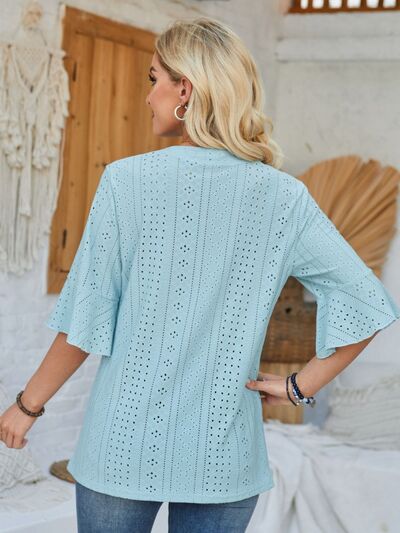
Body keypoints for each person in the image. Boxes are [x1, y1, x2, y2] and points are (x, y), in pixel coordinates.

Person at [1, 16, 400, 533]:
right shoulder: (283, 196)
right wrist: (300, 387)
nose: (149, 96)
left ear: (184, 89)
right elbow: (368, 302)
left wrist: (27, 406)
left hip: (122, 447)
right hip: (225, 457)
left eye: (154, 80)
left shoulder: (126, 182)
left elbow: (85, 323)